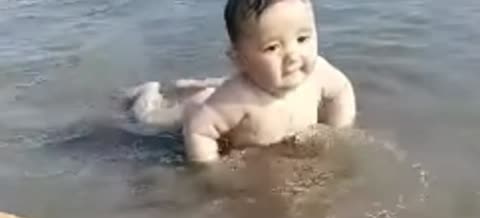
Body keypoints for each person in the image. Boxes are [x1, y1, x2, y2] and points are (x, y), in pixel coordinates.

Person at [121, 0, 356, 164]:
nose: (293, 55)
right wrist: (208, 168)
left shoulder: (320, 74)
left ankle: (196, 84)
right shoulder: (236, 99)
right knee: (148, 119)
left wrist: (340, 131)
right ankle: (147, 92)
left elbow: (342, 91)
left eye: (302, 38)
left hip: (223, 93)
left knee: (215, 90)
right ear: (239, 59)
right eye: (273, 47)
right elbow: (199, 131)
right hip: (197, 110)